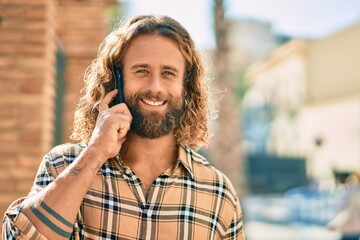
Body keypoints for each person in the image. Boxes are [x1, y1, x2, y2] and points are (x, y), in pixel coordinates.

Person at [2, 15, 245, 239]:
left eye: (168, 73)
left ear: (186, 87)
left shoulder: (218, 193)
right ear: (116, 79)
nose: (155, 86)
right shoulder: (62, 165)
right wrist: (96, 153)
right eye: (142, 71)